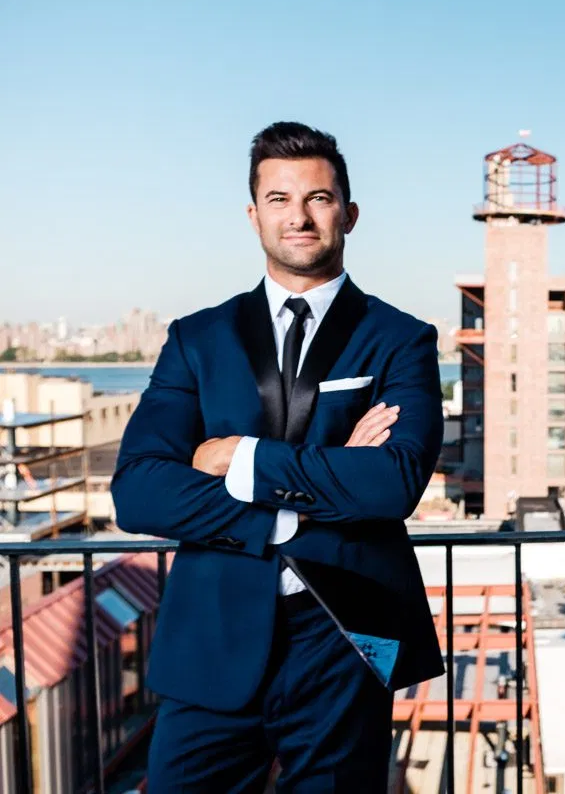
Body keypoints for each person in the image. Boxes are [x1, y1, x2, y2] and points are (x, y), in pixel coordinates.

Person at [112, 121, 445, 791]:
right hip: (211, 634)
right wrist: (293, 514)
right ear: (253, 214)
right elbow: (139, 491)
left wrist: (240, 457)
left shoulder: (401, 338)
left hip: (346, 640)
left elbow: (393, 482)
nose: (299, 216)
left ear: (348, 213)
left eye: (319, 198)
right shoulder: (197, 339)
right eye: (279, 198)